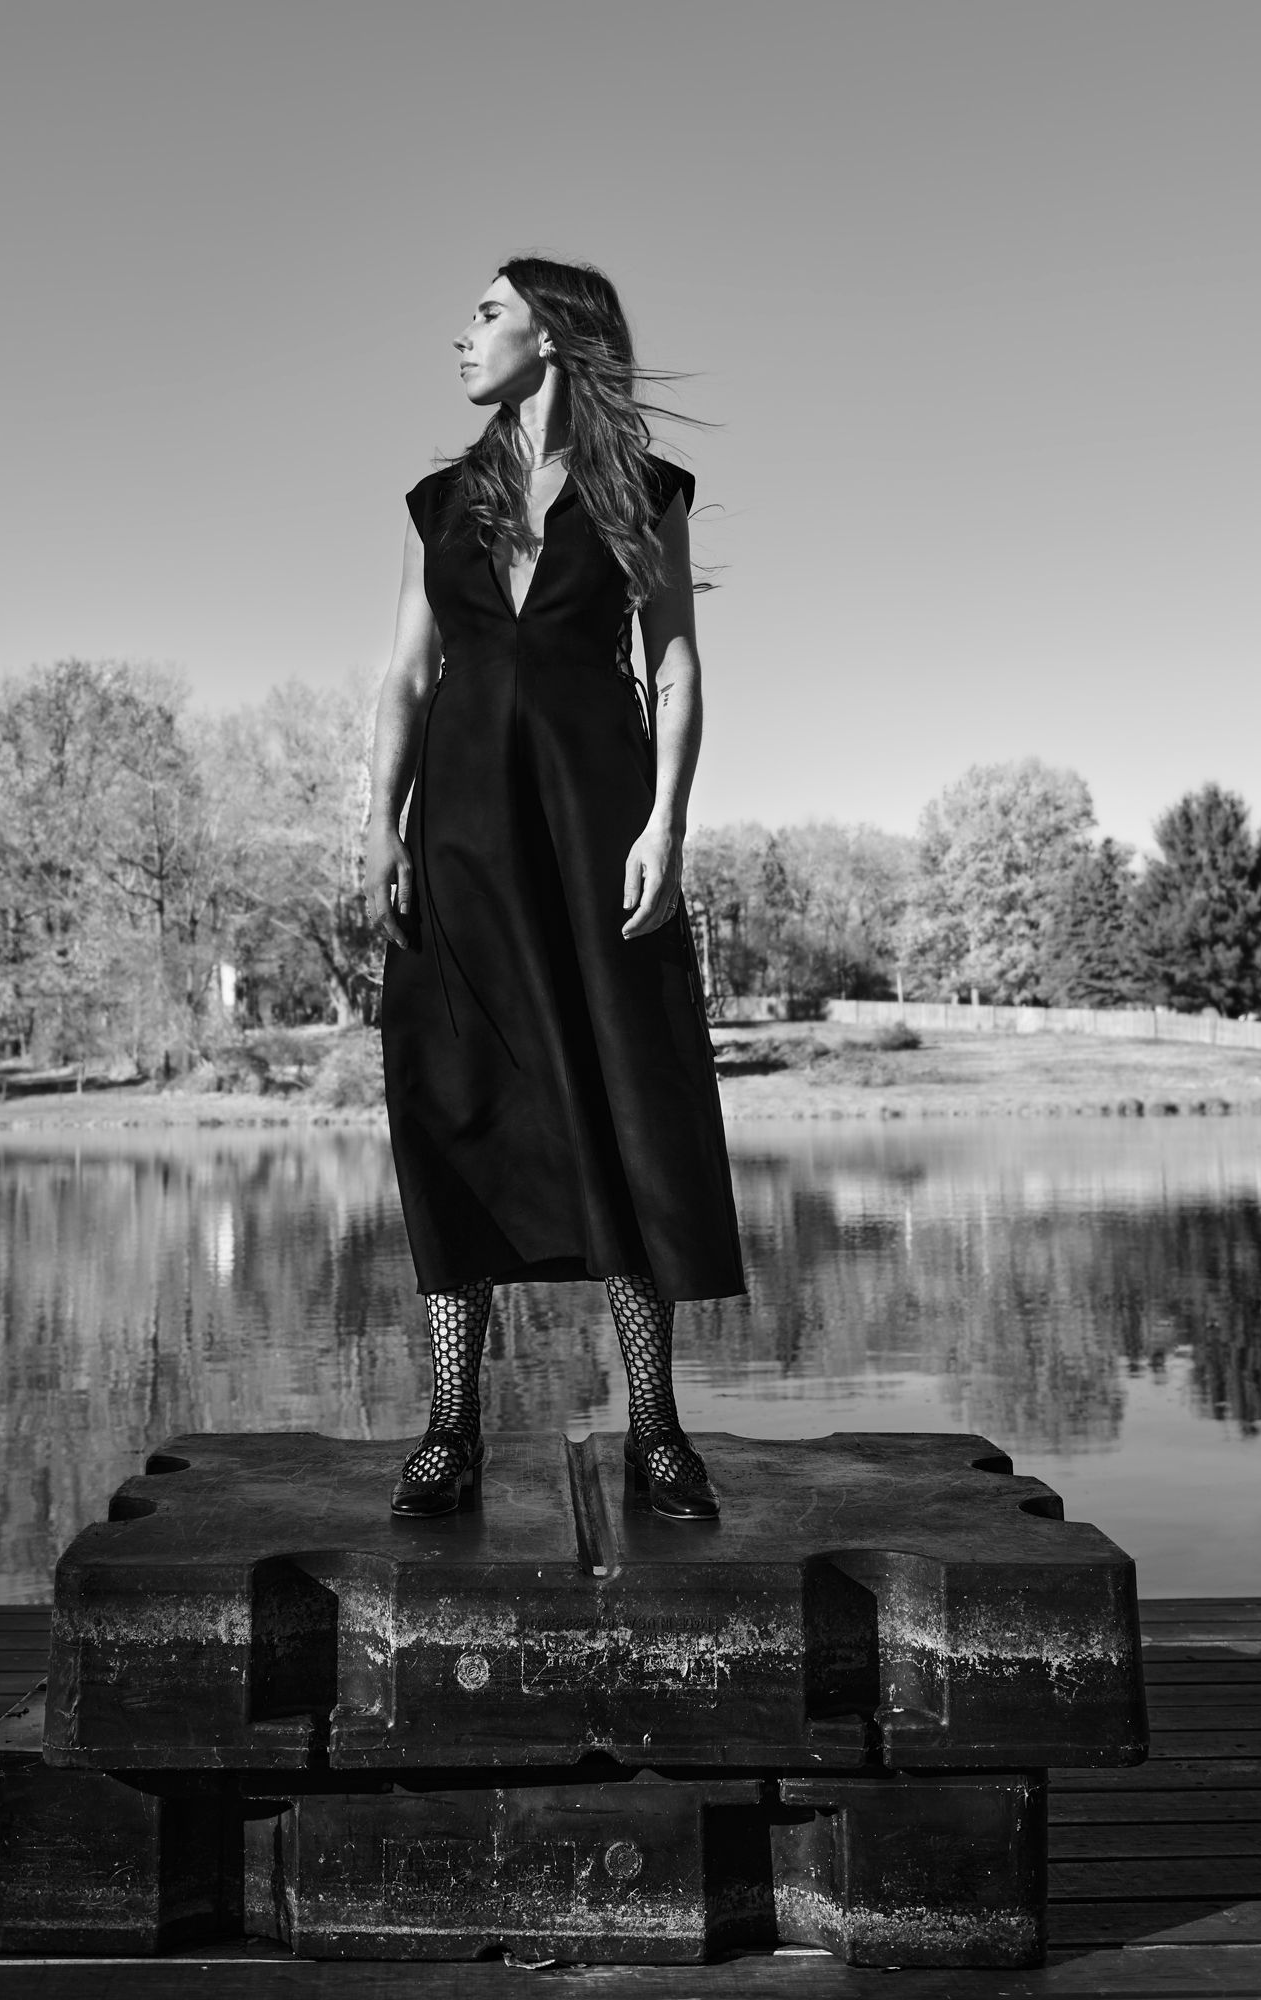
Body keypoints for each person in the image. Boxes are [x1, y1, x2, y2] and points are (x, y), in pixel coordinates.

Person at [365, 255, 746, 1523]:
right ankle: (449, 1429)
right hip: (460, 836)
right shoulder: (439, 503)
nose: (459, 336)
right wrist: (380, 822)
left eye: (483, 313)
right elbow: (407, 679)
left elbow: (676, 665)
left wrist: (667, 824)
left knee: (621, 1095)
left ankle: (654, 1429)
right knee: (452, 1101)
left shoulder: (641, 490)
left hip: (597, 833)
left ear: (554, 334)